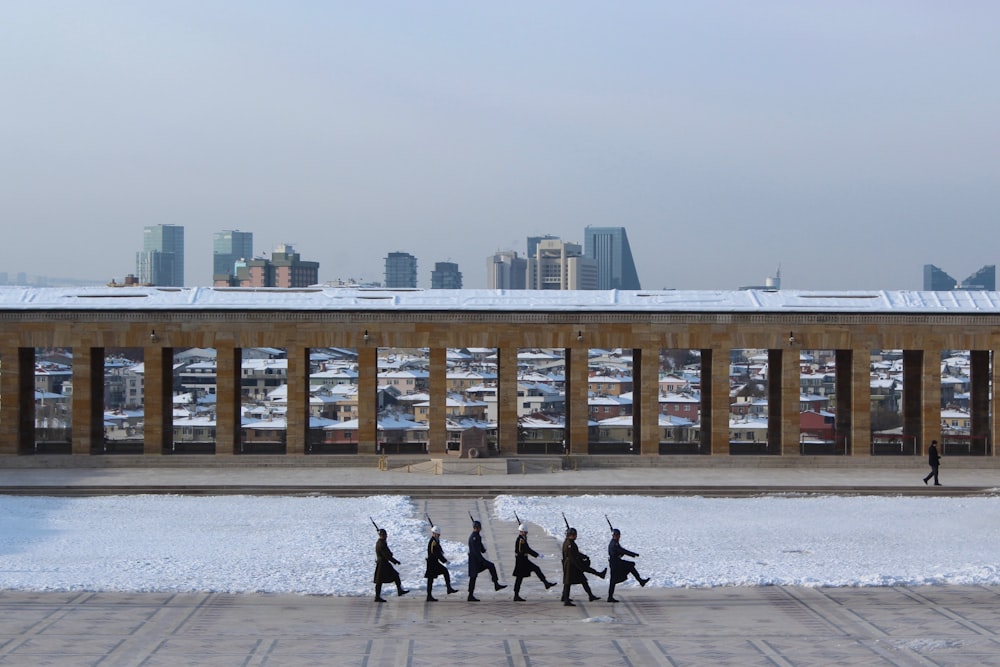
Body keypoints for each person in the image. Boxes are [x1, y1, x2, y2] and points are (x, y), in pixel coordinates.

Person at [560, 526, 605, 606]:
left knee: (582, 581)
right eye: (574, 535)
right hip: (571, 565)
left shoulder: (569, 542)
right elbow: (572, 556)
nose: (575, 536)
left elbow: (575, 553)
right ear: (569, 535)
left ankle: (590, 595)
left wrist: (583, 556)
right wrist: (580, 566)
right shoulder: (569, 544)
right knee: (568, 582)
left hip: (572, 564)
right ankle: (566, 600)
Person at [511, 524, 557, 601]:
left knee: (533, 570)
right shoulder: (521, 540)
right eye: (525, 532)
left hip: (524, 560)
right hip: (521, 561)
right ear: (521, 532)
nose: (526, 533)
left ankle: (545, 583)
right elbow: (526, 549)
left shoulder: (523, 538)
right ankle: (516, 595)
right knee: (520, 578)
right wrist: (537, 555)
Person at [467, 520, 507, 601]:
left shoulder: (477, 536)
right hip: (474, 561)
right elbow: (475, 551)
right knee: (473, 578)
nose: (479, 529)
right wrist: (482, 561)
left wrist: (483, 549)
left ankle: (496, 584)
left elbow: (479, 547)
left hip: (477, 560)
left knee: (490, 566)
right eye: (478, 528)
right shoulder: (474, 537)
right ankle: (470, 595)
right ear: (477, 528)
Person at [607, 527, 649, 602]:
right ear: (614, 536)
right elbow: (622, 551)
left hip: (616, 562)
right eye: (616, 535)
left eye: (618, 535)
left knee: (614, 580)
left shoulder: (615, 542)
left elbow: (621, 551)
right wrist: (633, 554)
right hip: (615, 564)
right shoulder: (614, 543)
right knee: (630, 566)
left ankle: (610, 597)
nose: (618, 536)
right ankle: (640, 581)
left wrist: (631, 554)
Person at [373, 528, 408, 603]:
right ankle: (378, 596)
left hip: (382, 563)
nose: (386, 536)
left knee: (381, 580)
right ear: (382, 535)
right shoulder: (382, 544)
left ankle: (378, 596)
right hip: (383, 564)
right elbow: (387, 555)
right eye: (385, 535)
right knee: (383, 580)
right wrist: (395, 561)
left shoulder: (380, 542)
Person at [424, 526, 458, 601]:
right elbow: (436, 553)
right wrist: (444, 560)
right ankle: (429, 596)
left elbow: (439, 549)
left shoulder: (436, 540)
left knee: (444, 571)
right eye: (437, 534)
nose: (439, 536)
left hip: (434, 562)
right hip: (431, 563)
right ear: (434, 534)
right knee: (430, 579)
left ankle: (449, 588)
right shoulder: (433, 542)